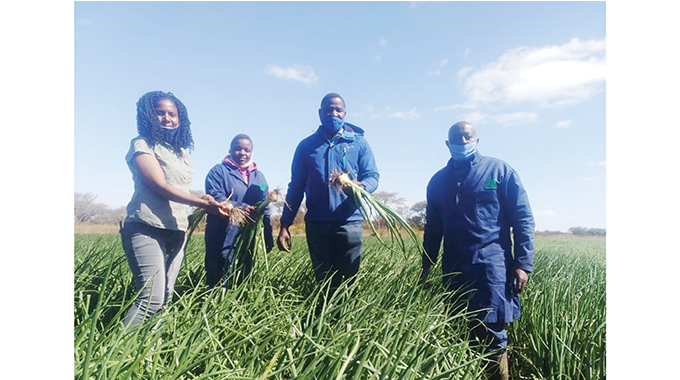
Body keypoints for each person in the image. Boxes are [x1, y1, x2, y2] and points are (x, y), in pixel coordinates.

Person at [420, 121, 535, 380]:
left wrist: (523, 264)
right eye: (456, 139)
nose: (462, 142)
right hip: (453, 267)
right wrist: (427, 264)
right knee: (458, 327)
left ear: (477, 140)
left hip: (492, 266)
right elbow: (433, 227)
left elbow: (523, 219)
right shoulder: (438, 181)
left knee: (492, 330)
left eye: (467, 137)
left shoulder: (500, 171)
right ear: (447, 145)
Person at [120, 91, 229, 327]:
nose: (167, 118)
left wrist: (202, 198)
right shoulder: (142, 144)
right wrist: (203, 204)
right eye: (160, 112)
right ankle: (113, 356)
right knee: (150, 299)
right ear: (149, 115)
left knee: (166, 298)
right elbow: (160, 186)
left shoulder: (181, 152)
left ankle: (147, 352)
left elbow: (180, 188)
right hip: (146, 227)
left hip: (177, 229)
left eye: (172, 114)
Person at [277, 93, 379, 291]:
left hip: (349, 223)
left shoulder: (358, 143)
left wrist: (362, 188)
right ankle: (325, 319)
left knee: (349, 283)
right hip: (317, 224)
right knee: (323, 283)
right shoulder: (306, 146)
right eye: (328, 110)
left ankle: (347, 319)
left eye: (338, 110)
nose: (333, 113)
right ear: (320, 113)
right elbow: (296, 186)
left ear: (345, 113)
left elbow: (372, 175)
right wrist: (285, 224)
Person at [204, 134, 274, 288]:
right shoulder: (218, 171)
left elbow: (264, 204)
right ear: (230, 150)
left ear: (252, 153)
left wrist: (268, 234)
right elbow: (216, 196)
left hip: (248, 235)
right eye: (237, 149)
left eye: (246, 150)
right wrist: (241, 207)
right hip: (222, 231)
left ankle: (238, 303)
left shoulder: (259, 177)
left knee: (244, 267)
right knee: (220, 265)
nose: (242, 153)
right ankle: (214, 304)